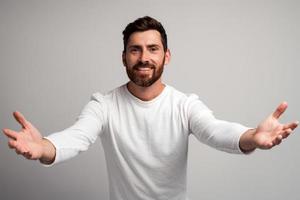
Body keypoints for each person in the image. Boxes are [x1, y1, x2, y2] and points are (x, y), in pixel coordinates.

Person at [2, 16, 298, 200]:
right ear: (124, 57)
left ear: (166, 56)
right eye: (135, 49)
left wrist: (251, 137)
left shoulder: (184, 105)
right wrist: (43, 147)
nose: (144, 57)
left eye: (153, 49)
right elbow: (77, 137)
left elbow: (215, 130)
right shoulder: (103, 105)